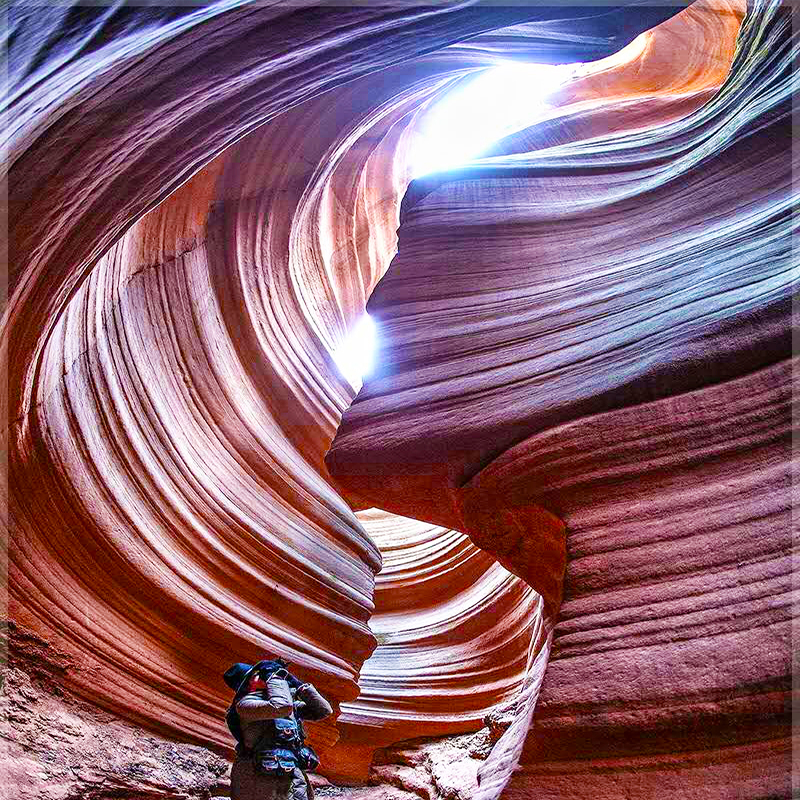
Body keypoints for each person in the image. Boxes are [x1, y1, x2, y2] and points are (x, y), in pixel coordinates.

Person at [224, 658, 332, 800]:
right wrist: (275, 678)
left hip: (290, 775)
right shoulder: (245, 705)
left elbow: (323, 710)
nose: (264, 676)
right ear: (248, 684)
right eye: (257, 675)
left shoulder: (284, 702)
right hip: (260, 778)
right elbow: (281, 707)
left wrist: (299, 686)